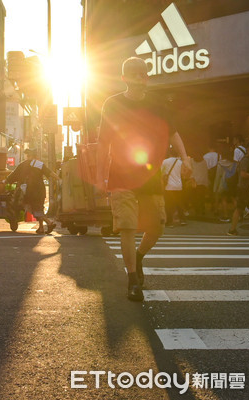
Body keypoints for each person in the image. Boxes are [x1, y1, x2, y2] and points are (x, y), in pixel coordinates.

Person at [96, 57, 191, 302]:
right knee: (127, 226)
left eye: (143, 75)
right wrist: (99, 176)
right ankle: (132, 279)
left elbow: (174, 133)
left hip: (149, 176)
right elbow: (103, 142)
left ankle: (138, 256)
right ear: (125, 78)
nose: (141, 79)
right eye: (135, 75)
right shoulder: (113, 104)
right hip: (121, 177)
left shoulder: (157, 104)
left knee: (157, 225)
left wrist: (186, 158)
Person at [5, 148, 58, 234]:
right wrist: (59, 179)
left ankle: (49, 222)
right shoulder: (40, 164)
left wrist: (5, 181)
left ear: (29, 156)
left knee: (31, 207)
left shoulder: (24, 164)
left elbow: (14, 174)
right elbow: (50, 173)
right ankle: (41, 228)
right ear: (36, 156)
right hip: (40, 190)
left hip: (30, 191)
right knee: (39, 208)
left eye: (27, 155)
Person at [228, 142, 249, 235]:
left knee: (240, 209)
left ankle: (232, 230)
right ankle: (232, 230)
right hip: (244, 188)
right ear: (247, 149)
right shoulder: (245, 160)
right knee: (239, 209)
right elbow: (243, 174)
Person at [161, 148, 186, 227]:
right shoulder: (180, 162)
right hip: (178, 185)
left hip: (169, 186)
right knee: (179, 203)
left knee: (169, 204)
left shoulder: (165, 161)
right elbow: (182, 173)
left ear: (169, 153)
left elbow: (162, 173)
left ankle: (169, 222)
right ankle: (182, 220)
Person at [213, 146, 238, 222]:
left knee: (224, 199)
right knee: (234, 198)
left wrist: (215, 187)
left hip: (224, 184)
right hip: (233, 184)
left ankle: (225, 216)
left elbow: (218, 177)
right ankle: (239, 215)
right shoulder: (235, 163)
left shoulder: (220, 164)